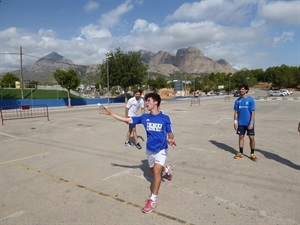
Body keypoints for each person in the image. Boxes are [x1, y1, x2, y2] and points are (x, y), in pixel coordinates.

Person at [100, 92, 176, 213]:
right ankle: (166, 169)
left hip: (161, 149)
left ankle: (153, 199)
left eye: (148, 101)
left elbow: (170, 132)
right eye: (145, 101)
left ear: (156, 102)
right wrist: (111, 114)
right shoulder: (144, 117)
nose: (146, 103)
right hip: (149, 150)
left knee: (156, 171)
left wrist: (171, 138)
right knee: (153, 171)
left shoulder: (165, 118)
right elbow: (128, 120)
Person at [233, 84, 257, 161]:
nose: (241, 90)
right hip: (241, 123)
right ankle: (240, 153)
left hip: (249, 123)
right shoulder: (237, 101)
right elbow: (236, 112)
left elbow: (253, 112)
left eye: (242, 89)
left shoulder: (250, 100)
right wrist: (235, 122)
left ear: (246, 90)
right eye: (240, 89)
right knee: (241, 137)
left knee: (251, 138)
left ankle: (252, 153)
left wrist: (251, 123)